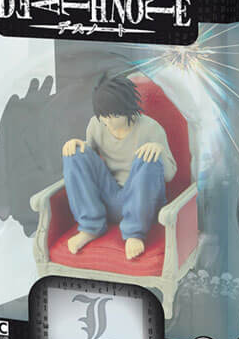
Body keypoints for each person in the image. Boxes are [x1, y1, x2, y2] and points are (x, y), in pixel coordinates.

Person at [62, 75, 177, 260]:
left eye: (115, 116)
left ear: (128, 109)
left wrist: (158, 150)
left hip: (142, 200)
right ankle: (90, 228)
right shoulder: (96, 124)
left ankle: (134, 233)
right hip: (109, 197)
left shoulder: (150, 128)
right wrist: (76, 146)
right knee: (75, 152)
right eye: (104, 116)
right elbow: (88, 168)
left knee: (148, 156)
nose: (109, 122)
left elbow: (170, 175)